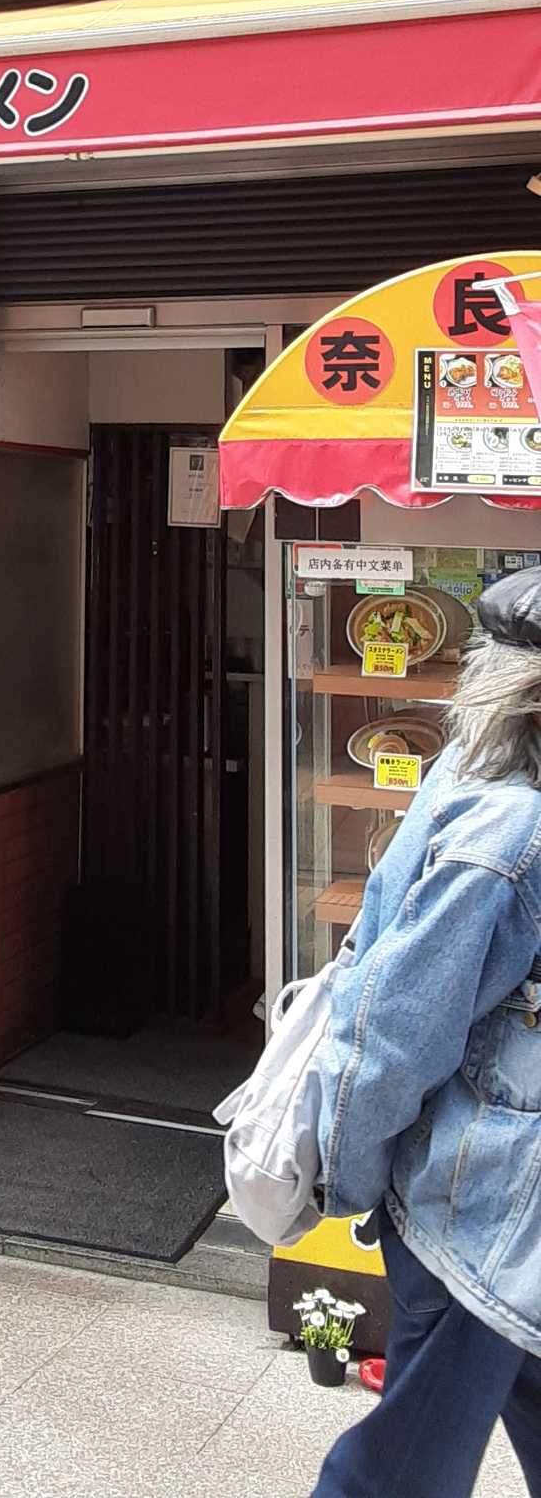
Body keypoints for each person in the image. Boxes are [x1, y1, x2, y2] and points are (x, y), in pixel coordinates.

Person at [308, 564, 541, 1498]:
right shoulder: (509, 835)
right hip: (478, 1213)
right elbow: (394, 1029)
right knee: (397, 1476)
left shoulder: (471, 776)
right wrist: (348, 1174)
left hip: (494, 1210)